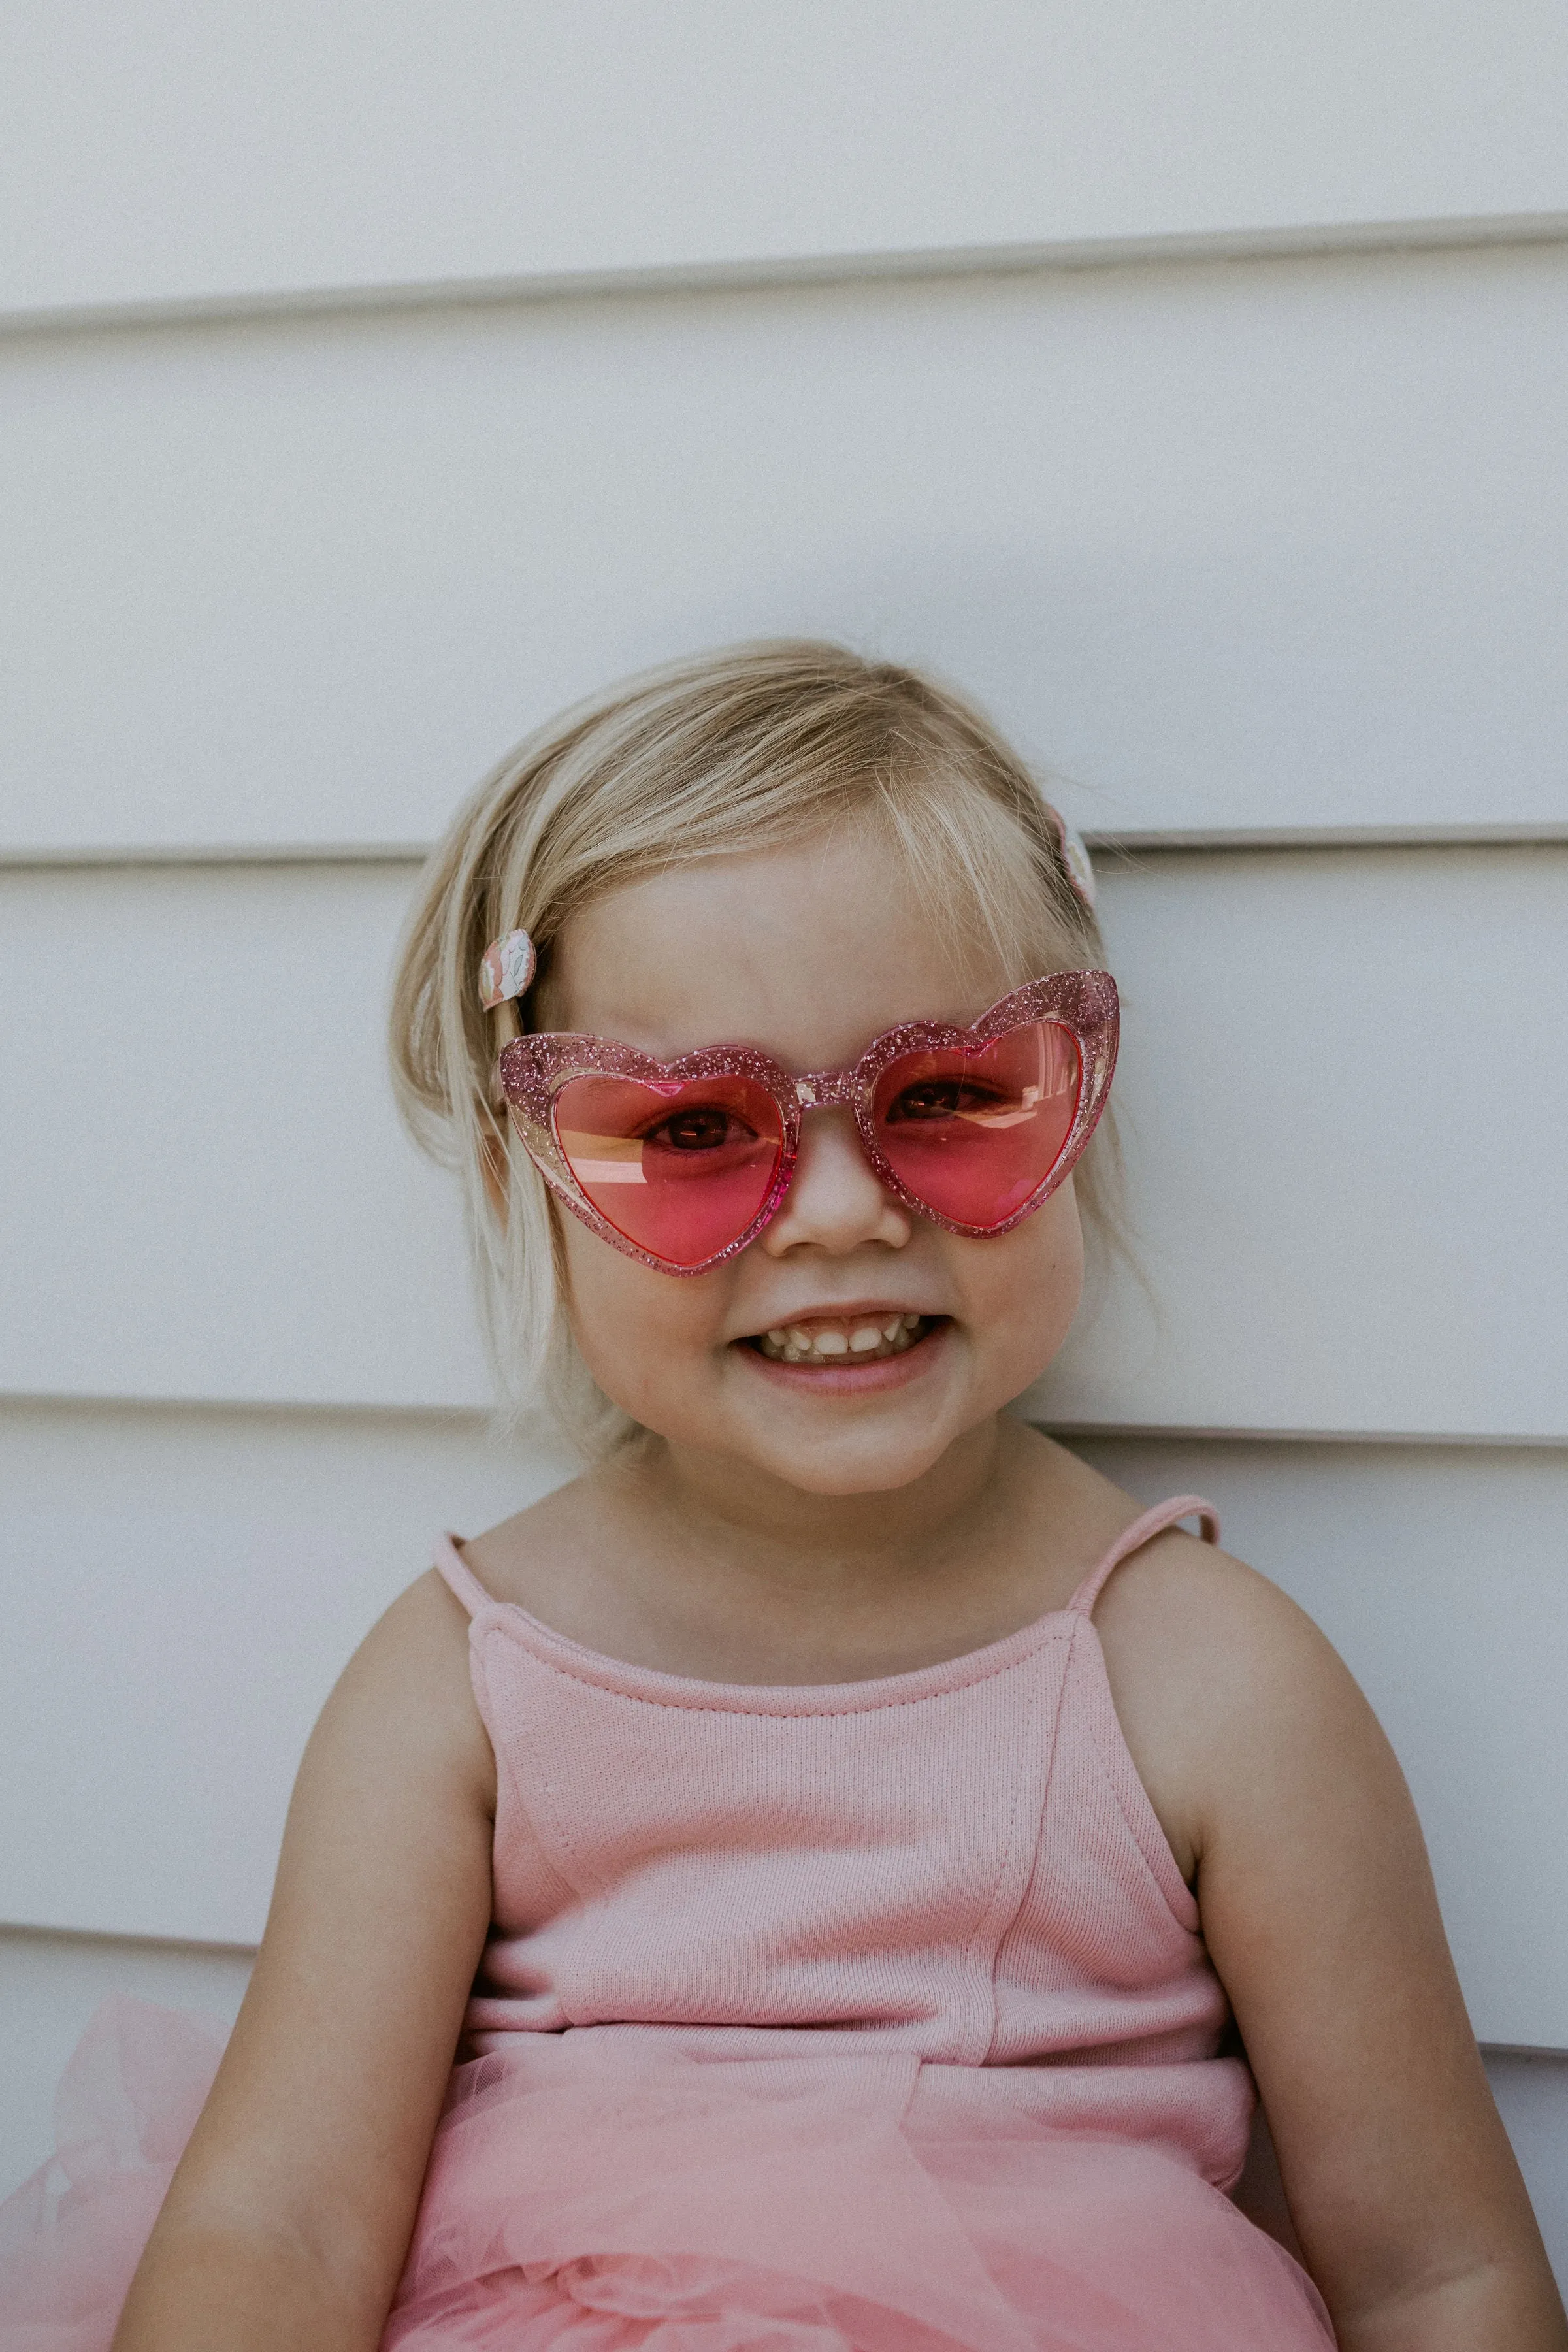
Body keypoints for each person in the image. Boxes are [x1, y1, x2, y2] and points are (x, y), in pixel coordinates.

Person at [5, 644, 1561, 2351]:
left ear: (1079, 1090)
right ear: (532, 1174)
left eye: (948, 1098)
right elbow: (280, 2230)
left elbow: (1438, 2268)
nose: (835, 1215)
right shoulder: (474, 1678)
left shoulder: (1205, 1679)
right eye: (691, 1130)